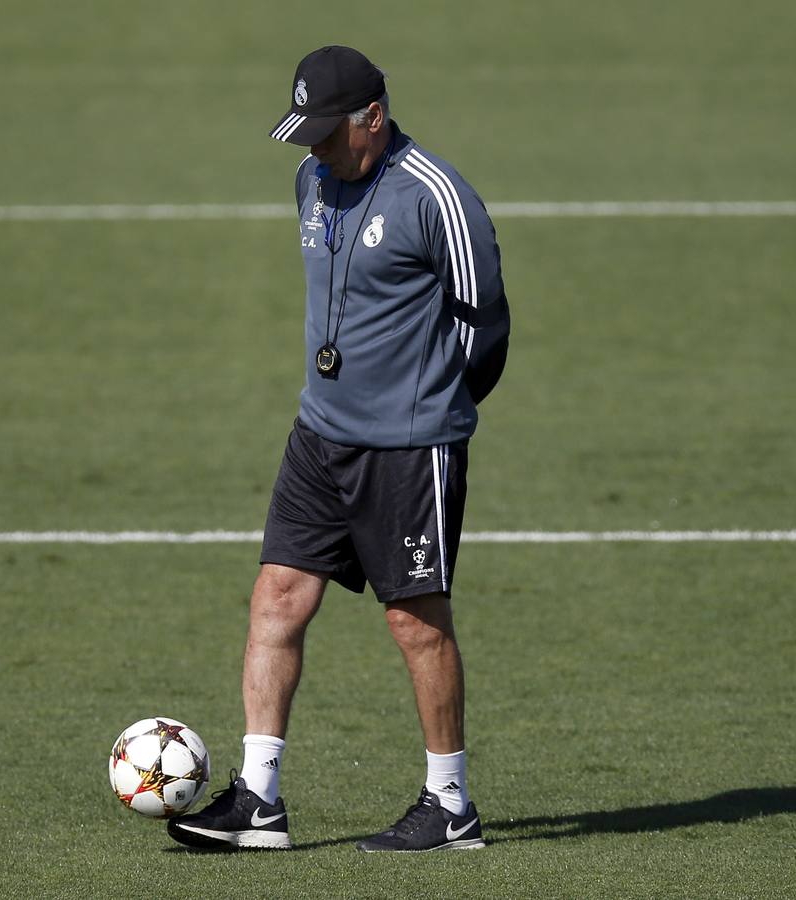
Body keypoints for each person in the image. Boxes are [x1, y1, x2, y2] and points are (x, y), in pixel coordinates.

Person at [167, 45, 510, 853]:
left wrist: (432, 405)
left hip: (409, 447)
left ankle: (449, 804)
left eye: (327, 135)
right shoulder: (312, 182)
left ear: (373, 118)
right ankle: (258, 799)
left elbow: (484, 320)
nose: (315, 151)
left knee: (413, 621)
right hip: (318, 433)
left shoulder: (436, 196)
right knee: (276, 595)